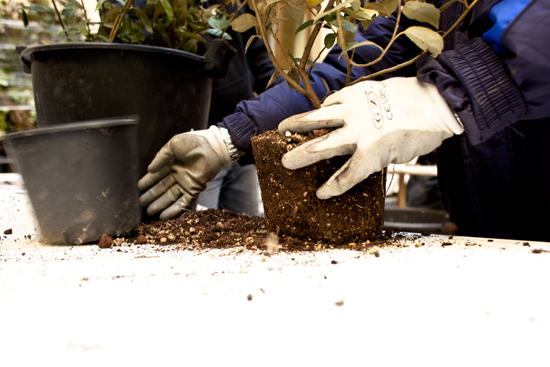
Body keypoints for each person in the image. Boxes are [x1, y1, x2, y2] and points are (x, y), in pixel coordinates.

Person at [138, 0, 550, 241]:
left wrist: (454, 92)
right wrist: (229, 136)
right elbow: (352, 69)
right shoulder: (438, 7)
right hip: (491, 234)